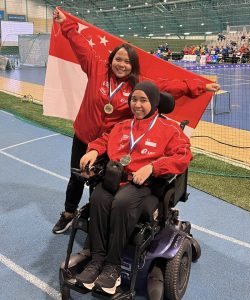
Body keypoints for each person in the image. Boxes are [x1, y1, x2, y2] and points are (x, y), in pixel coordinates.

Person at [51, 7, 219, 234]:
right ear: (111, 60)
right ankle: (69, 213)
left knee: (100, 183)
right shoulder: (97, 69)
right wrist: (65, 23)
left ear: (133, 66)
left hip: (108, 144)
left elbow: (170, 87)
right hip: (83, 137)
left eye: (127, 62)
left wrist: (201, 86)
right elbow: (81, 46)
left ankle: (93, 218)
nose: (121, 64)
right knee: (77, 177)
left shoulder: (138, 84)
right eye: (118, 59)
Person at [75, 81, 192, 295]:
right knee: (99, 198)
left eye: (143, 100)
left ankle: (113, 267)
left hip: (144, 184)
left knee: (122, 202)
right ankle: (97, 260)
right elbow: (105, 139)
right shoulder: (122, 126)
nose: (137, 105)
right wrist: (93, 150)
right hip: (116, 178)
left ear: (155, 102)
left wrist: (153, 166)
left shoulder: (170, 129)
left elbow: (183, 156)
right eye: (134, 100)